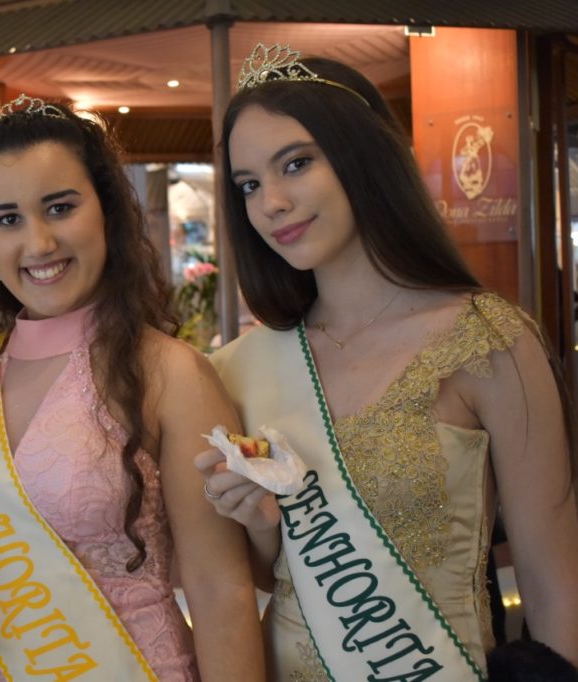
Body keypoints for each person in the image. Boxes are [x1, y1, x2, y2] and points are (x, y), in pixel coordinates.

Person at [0, 94, 265, 682]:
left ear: (107, 213)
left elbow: (222, 593)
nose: (39, 243)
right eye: (8, 219)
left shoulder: (172, 375)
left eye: (60, 208)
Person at [198, 43, 578, 680]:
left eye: (296, 163)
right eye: (249, 185)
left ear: (363, 155)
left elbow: (555, 584)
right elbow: (265, 577)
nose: (271, 202)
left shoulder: (486, 340)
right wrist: (259, 523)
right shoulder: (238, 368)